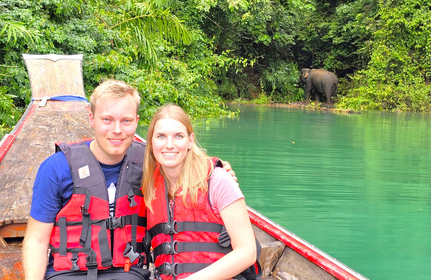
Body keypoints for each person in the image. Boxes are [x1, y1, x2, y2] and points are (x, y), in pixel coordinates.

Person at [23, 80, 235, 280]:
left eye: (126, 121)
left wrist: (219, 169)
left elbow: (188, 164)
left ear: (136, 121)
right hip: (68, 274)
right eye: (107, 120)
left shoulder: (152, 163)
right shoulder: (56, 168)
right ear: (91, 118)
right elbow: (37, 241)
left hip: (128, 273)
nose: (117, 130)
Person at [142, 104, 260, 280]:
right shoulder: (149, 187)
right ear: (151, 141)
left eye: (178, 136)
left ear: (190, 140)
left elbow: (247, 252)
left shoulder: (218, 180)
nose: (169, 145)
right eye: (161, 136)